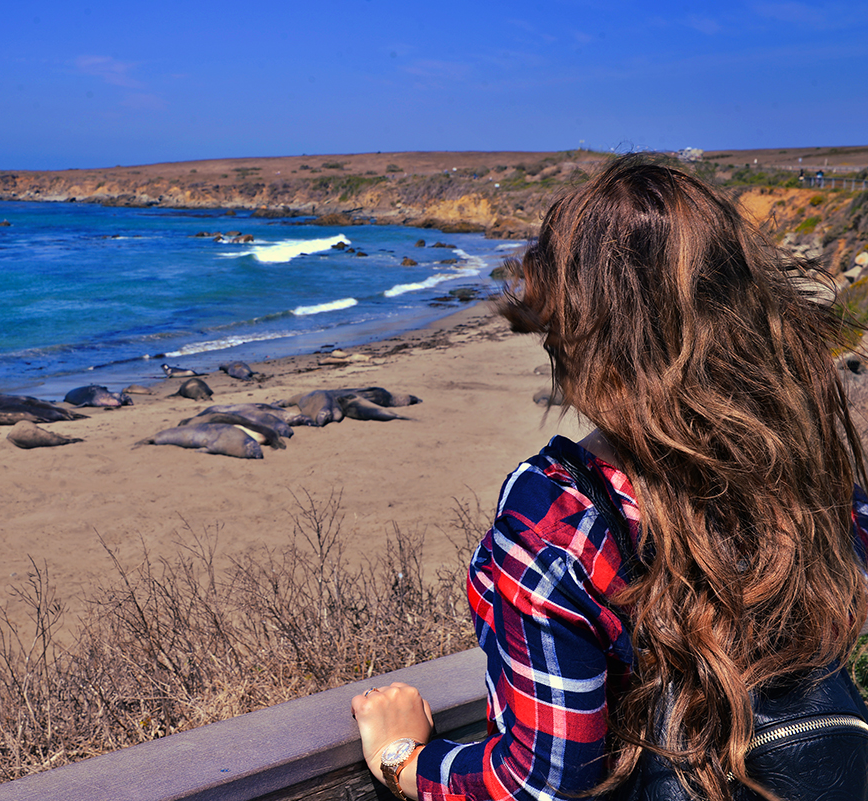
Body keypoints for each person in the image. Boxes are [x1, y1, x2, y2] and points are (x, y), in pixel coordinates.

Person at [351, 154, 868, 800]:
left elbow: (543, 782)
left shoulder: (559, 514)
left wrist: (404, 757)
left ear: (580, 335)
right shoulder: (809, 455)